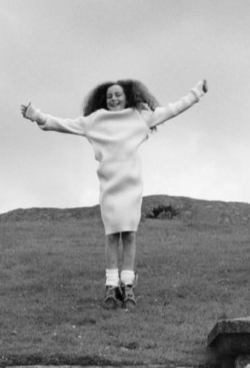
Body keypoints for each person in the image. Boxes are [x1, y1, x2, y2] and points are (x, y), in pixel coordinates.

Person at [20, 78, 208, 309]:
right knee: (111, 235)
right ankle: (111, 285)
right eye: (110, 96)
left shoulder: (139, 117)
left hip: (131, 188)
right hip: (109, 188)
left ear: (127, 97)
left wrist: (196, 93)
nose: (114, 99)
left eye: (118, 95)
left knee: (129, 235)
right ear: (104, 100)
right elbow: (63, 124)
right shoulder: (95, 121)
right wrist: (36, 115)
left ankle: (127, 286)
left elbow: (172, 110)